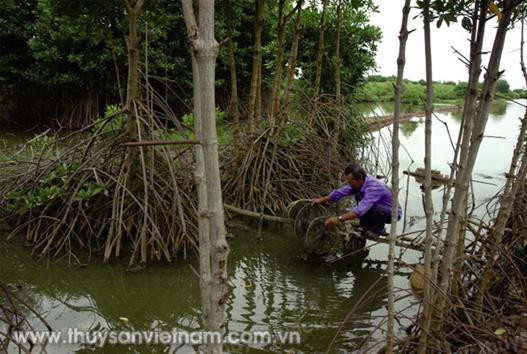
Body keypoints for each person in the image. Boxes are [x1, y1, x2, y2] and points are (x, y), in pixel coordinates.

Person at [312, 164, 402, 236]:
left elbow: (360, 210)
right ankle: (365, 226)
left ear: (360, 179)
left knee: (375, 208)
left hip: (392, 213)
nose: (349, 184)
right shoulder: (359, 183)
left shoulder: (374, 188)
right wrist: (321, 200)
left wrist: (338, 219)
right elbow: (341, 192)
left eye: (351, 182)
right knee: (359, 196)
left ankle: (378, 230)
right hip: (377, 208)